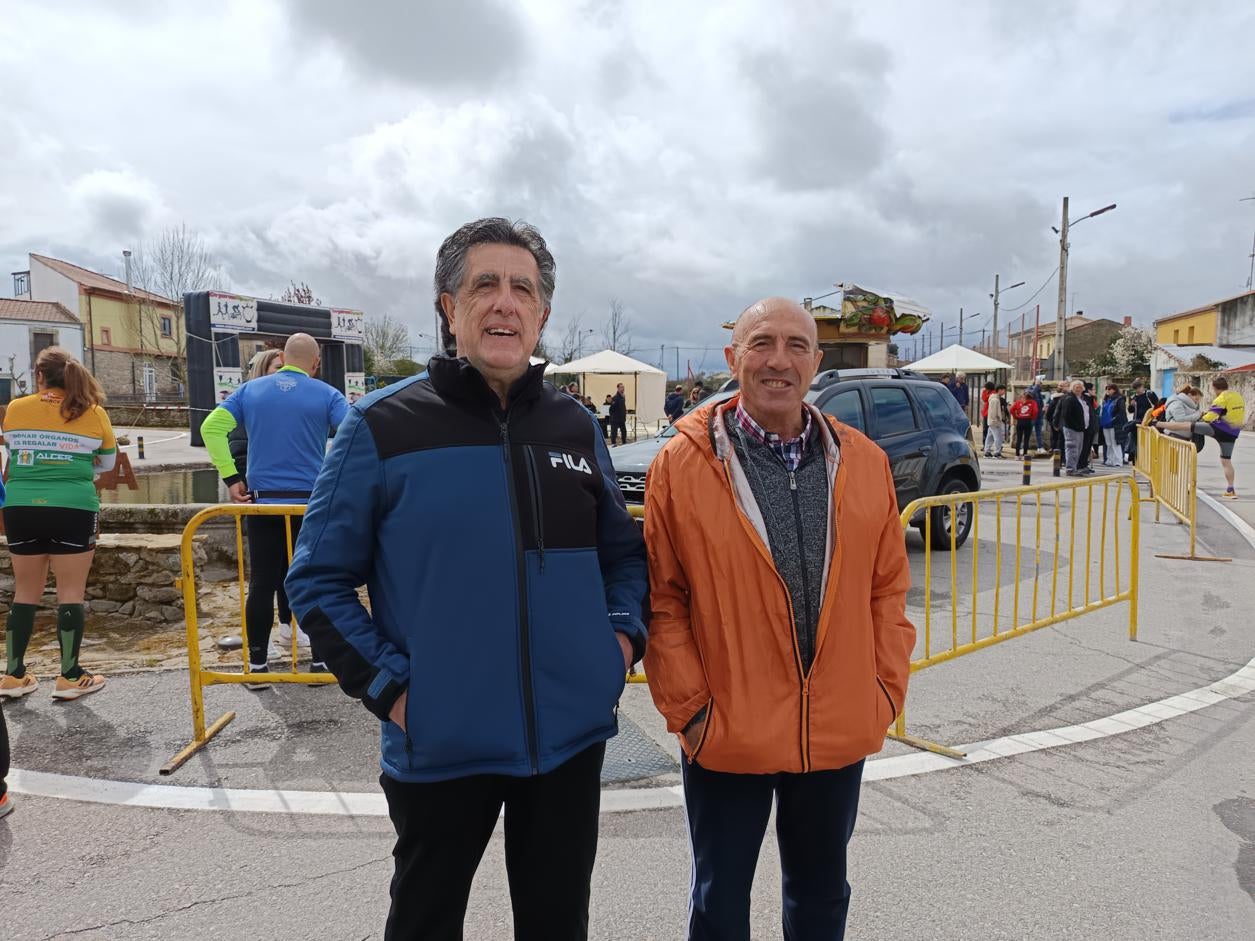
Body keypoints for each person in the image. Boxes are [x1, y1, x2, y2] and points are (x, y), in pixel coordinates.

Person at [284, 218, 648, 941]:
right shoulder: (380, 425)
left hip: (568, 739)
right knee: (423, 921)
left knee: (556, 925)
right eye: (484, 285)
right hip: (439, 739)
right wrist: (394, 691)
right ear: (448, 307)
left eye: (523, 289)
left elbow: (623, 555)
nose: (505, 302)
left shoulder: (575, 427)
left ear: (542, 314)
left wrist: (617, 647)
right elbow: (318, 581)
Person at [643, 297, 914, 941]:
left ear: (816, 363)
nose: (779, 360)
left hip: (836, 727)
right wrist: (692, 710)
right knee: (719, 902)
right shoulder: (681, 464)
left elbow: (887, 590)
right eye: (762, 343)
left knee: (822, 897)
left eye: (797, 345)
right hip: (726, 729)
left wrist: (881, 691)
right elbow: (664, 598)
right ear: (734, 358)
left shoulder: (864, 462)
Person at [200, 333, 349, 687]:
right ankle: (318, 663)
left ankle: (257, 666)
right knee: (311, 582)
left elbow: (211, 428)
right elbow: (354, 434)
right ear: (315, 363)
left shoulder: (251, 391)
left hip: (263, 502)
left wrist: (233, 478)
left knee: (262, 583)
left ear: (283, 356)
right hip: (309, 504)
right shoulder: (327, 394)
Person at [0, 348, 114, 701]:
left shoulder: (17, 409)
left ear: (38, 376)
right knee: (70, 593)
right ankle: (69, 676)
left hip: (20, 507)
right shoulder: (93, 413)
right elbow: (107, 464)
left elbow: (11, 447)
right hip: (73, 507)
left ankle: (13, 675)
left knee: (25, 593)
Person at [229, 348, 307, 656]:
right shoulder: (249, 402)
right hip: (262, 498)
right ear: (263, 371)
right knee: (266, 575)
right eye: (277, 368)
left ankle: (288, 629)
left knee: (291, 570)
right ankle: (259, 646)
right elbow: (235, 445)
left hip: (294, 498)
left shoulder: (296, 404)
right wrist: (237, 481)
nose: (285, 375)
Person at [1155, 376, 1244, 499]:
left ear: (1215, 388)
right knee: (1226, 460)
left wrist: (1201, 417)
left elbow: (1210, 416)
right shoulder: (1238, 396)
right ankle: (1230, 489)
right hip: (1233, 433)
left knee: (1188, 426)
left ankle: (1157, 424)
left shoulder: (1221, 398)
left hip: (1219, 428)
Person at [1060, 380, 1094, 476]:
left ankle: (1073, 467)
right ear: (1072, 388)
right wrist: (1076, 426)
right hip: (1072, 428)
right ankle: (1070, 469)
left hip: (1081, 428)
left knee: (1078, 449)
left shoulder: (1081, 399)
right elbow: (1066, 415)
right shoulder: (1069, 399)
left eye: (1080, 387)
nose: (1078, 389)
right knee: (1072, 448)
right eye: (1076, 387)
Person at [1125, 379, 1159, 464]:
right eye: (1135, 388)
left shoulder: (1149, 394)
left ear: (1142, 386)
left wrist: (1154, 417)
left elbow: (1158, 406)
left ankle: (1148, 461)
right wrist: (1131, 405)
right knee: (1136, 442)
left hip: (1148, 422)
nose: (1137, 390)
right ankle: (1136, 460)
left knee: (1147, 443)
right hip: (1137, 422)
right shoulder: (1134, 397)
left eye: (1139, 388)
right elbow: (1130, 410)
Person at [1099, 384, 1128, 467]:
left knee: (1115, 443)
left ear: (1114, 390)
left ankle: (1118, 460)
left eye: (1109, 389)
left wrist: (1113, 420)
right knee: (1108, 443)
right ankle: (1110, 459)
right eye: (1107, 389)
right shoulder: (1106, 399)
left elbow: (1121, 412)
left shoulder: (1119, 399)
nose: (1107, 391)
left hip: (1114, 425)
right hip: (1106, 424)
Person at [1010, 389, 1039, 457]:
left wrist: (1016, 416)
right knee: (1026, 439)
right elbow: (1035, 411)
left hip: (1020, 420)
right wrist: (1033, 418)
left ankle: (1017, 455)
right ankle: (1024, 454)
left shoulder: (1019, 402)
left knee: (1019, 438)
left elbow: (1011, 409)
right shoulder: (1033, 402)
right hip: (1028, 421)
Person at [1045, 381, 1069, 454]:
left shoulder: (1067, 397)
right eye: (1059, 385)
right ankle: (1056, 453)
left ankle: (1058, 454)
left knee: (1059, 439)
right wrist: (1050, 420)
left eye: (1062, 386)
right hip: (1055, 420)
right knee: (1056, 438)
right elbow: (1049, 408)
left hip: (1063, 421)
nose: (1060, 387)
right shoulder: (1053, 397)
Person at [984, 384, 1008, 458]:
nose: (1004, 392)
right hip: (995, 421)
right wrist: (996, 421)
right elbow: (993, 412)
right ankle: (997, 452)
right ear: (1000, 390)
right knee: (998, 437)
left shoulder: (995, 398)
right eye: (1003, 390)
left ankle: (987, 451)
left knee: (990, 436)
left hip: (992, 421)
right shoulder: (995, 400)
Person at [1028, 376, 1047, 452]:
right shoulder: (1029, 389)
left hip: (1039, 415)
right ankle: (1024, 447)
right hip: (1032, 415)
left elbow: (1040, 404)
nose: (1040, 385)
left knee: (1038, 432)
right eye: (1039, 383)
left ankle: (1040, 447)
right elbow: (1031, 394)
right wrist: (1036, 385)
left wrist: (1043, 411)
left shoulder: (1039, 392)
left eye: (1040, 384)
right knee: (1028, 431)